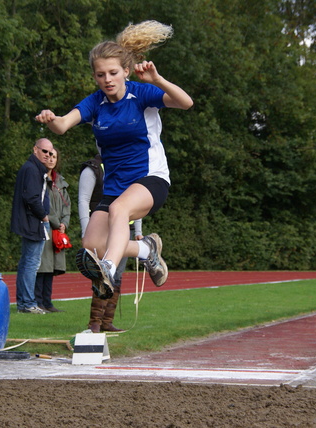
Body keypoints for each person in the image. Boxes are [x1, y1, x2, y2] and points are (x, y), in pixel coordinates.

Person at [35, 20, 193, 299]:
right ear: (94, 77)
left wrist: (157, 79)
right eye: (100, 75)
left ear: (125, 71)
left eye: (112, 73)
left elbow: (185, 102)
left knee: (119, 212)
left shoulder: (141, 93)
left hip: (150, 179)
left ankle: (107, 267)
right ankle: (146, 250)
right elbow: (62, 126)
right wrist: (51, 120)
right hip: (116, 187)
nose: (107, 79)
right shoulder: (95, 103)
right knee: (91, 244)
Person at [79, 154, 142, 332]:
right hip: (101, 229)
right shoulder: (93, 168)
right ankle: (95, 322)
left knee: (117, 276)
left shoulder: (129, 167)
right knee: (102, 272)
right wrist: (86, 230)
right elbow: (83, 200)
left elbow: (136, 203)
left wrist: (138, 232)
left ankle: (107, 321)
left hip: (124, 230)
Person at [10, 138, 54, 314]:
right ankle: (28, 303)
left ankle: (23, 303)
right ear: (35, 149)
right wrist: (44, 216)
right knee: (31, 263)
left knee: (27, 262)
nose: (48, 155)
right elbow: (32, 198)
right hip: (33, 222)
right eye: (44, 151)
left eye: (50, 153)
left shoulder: (33, 169)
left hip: (31, 221)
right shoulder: (32, 169)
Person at [35, 147, 70, 313]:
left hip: (57, 231)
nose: (51, 159)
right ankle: (38, 301)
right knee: (42, 266)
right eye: (48, 156)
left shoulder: (60, 182)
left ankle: (48, 302)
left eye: (54, 156)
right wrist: (57, 222)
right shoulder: (38, 179)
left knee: (51, 267)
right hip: (44, 227)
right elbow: (43, 205)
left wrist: (65, 224)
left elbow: (67, 207)